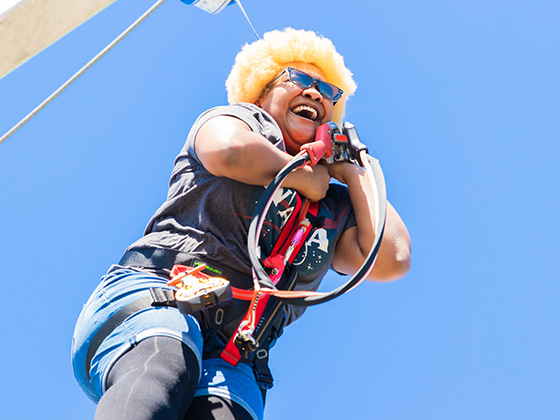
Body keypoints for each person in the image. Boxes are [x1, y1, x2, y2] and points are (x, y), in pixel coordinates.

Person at [71, 27, 411, 420]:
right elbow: (228, 150)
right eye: (299, 79)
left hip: (237, 352)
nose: (316, 94)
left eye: (328, 91)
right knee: (167, 365)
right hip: (160, 300)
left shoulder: (333, 206)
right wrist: (301, 175)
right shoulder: (244, 122)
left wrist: (356, 170)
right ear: (262, 93)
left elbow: (392, 258)